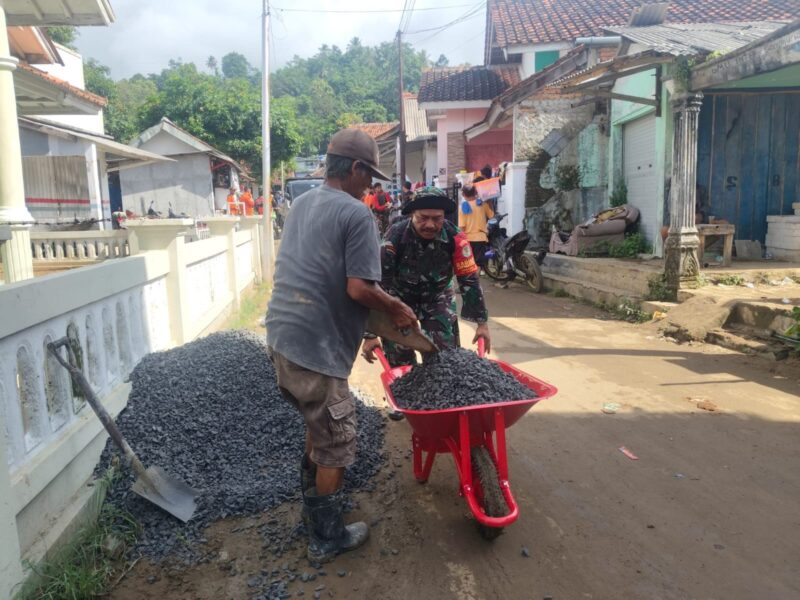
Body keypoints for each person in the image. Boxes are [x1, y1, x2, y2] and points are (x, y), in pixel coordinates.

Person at [266, 128, 418, 563]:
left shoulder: (301, 205)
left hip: (282, 338)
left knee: (319, 428)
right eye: (369, 176)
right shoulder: (356, 214)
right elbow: (358, 288)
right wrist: (397, 308)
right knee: (336, 437)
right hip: (316, 345)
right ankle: (326, 538)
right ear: (353, 169)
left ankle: (312, 514)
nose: (371, 186)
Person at [361, 186, 491, 368]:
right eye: (423, 218)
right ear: (413, 214)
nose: (430, 225)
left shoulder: (456, 238)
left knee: (446, 360)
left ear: (444, 217)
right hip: (399, 300)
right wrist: (370, 334)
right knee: (400, 359)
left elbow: (469, 278)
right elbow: (378, 285)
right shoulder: (395, 236)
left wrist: (482, 324)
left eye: (437, 219)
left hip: (437, 297)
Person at [458, 184, 495, 269]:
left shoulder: (462, 207)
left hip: (467, 239)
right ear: (475, 192)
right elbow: (491, 216)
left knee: (469, 262)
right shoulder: (482, 204)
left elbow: (462, 227)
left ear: (463, 194)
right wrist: (489, 202)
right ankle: (476, 281)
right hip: (480, 238)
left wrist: (460, 241)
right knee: (478, 264)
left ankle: (471, 281)